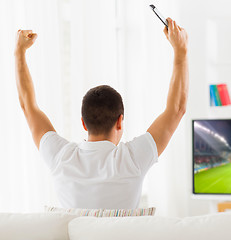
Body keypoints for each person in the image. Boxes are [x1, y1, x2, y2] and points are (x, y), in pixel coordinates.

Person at [14, 18, 189, 209]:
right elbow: (177, 110)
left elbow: (28, 106)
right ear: (120, 121)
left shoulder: (61, 157)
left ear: (83, 123)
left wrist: (19, 52)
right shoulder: (132, 160)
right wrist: (180, 51)